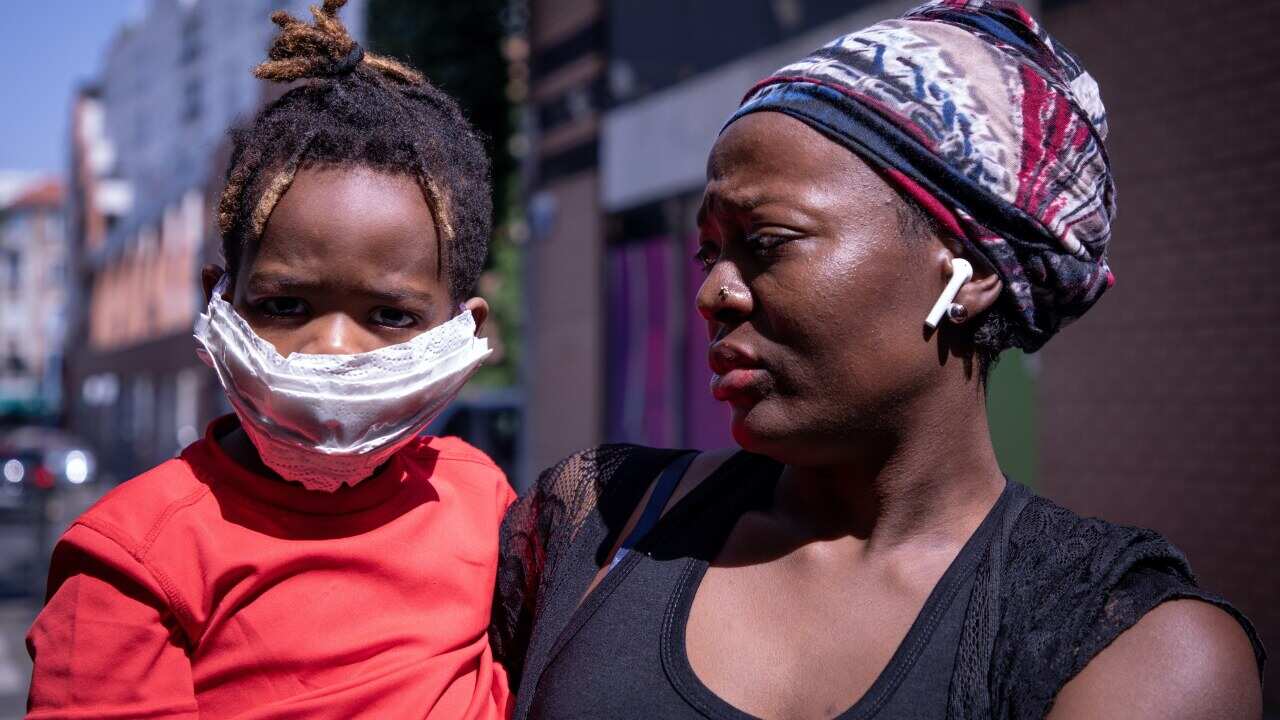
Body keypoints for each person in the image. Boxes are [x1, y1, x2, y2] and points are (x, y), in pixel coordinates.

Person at [490, 2, 1265, 718]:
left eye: (766, 243)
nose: (713, 293)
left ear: (969, 272)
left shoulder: (1133, 651)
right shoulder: (597, 520)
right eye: (709, 252)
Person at [26, 2, 512, 717]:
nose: (332, 350)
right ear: (219, 298)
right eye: (285, 305)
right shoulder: (132, 558)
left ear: (459, 330)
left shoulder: (482, 502)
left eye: (390, 316)